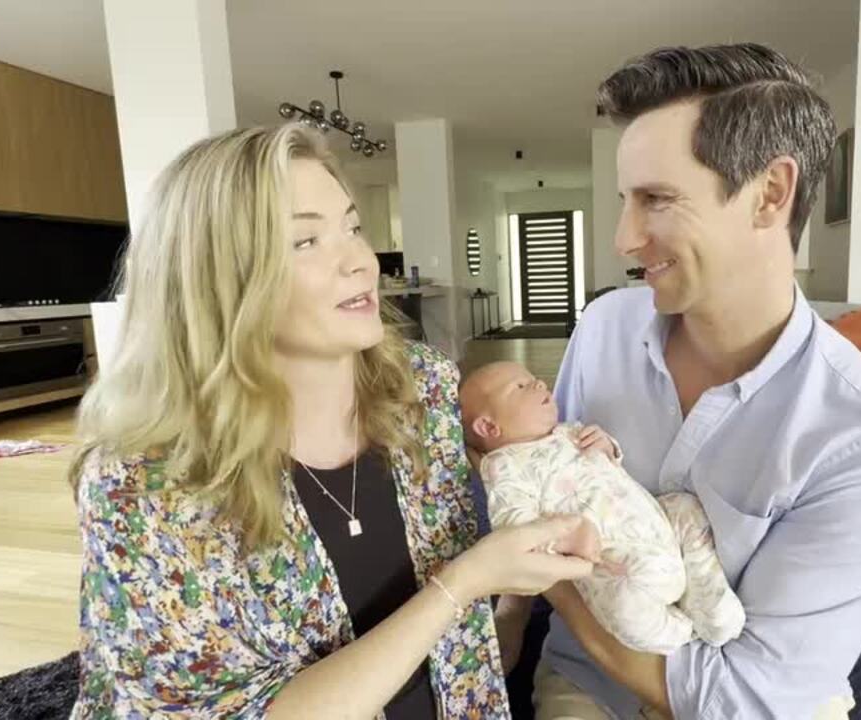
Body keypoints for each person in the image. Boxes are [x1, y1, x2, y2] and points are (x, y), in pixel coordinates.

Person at [68, 124, 596, 719]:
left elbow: (506, 469)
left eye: (351, 226)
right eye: (305, 242)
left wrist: (512, 610)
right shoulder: (144, 483)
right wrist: (463, 585)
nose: (361, 262)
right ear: (220, 281)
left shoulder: (422, 385)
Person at [524, 44, 861, 720]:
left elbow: (747, 698)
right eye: (626, 201)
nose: (623, 240)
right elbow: (549, 479)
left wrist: (555, 584)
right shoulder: (602, 328)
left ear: (769, 195)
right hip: (587, 681)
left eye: (656, 200)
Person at [459, 361, 744, 655]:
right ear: (489, 426)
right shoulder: (505, 466)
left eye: (534, 378)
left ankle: (708, 597)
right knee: (623, 610)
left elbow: (610, 470)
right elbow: (514, 527)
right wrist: (564, 538)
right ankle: (681, 632)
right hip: (614, 564)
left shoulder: (568, 431)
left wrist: (608, 446)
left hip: (657, 524)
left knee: (685, 505)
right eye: (520, 387)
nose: (540, 384)